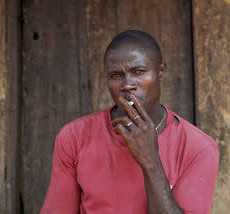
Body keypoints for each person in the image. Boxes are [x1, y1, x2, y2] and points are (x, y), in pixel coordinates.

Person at [40, 30, 219, 214]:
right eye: (116, 76)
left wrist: (150, 160)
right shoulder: (74, 137)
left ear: (161, 71)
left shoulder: (198, 148)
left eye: (139, 71)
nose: (127, 84)